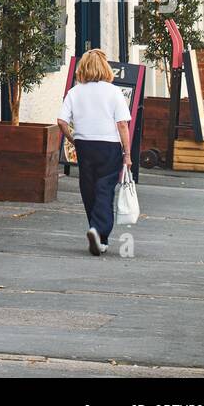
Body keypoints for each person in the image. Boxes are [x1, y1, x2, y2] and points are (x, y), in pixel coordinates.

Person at [58, 49, 132, 255]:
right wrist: (127, 154)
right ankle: (99, 232)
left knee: (88, 189)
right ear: (105, 68)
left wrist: (73, 138)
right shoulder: (113, 92)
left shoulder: (75, 92)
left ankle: (97, 234)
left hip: (84, 146)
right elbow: (122, 125)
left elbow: (61, 121)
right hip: (109, 146)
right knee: (104, 189)